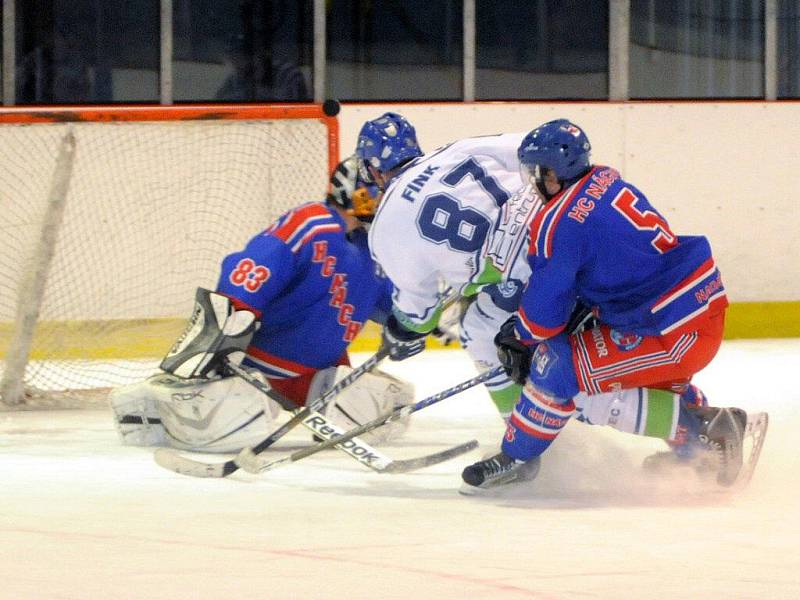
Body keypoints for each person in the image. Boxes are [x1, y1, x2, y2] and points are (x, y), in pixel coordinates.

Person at [460, 119, 747, 493]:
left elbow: (546, 311)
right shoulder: (604, 179)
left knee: (557, 367)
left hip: (671, 330)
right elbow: (615, 261)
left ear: (554, 172)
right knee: (622, 373)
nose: (533, 182)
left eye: (537, 172)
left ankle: (518, 459)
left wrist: (520, 335)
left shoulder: (559, 222)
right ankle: (707, 430)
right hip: (688, 309)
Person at [110, 156, 413, 453]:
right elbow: (251, 270)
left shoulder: (374, 246)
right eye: (381, 190)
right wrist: (230, 323)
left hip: (318, 377)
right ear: (357, 190)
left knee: (393, 400)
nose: (386, 198)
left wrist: (426, 319)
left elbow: (398, 307)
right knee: (238, 427)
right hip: (251, 370)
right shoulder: (311, 223)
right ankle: (156, 402)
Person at [357, 112, 539, 420]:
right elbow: (536, 146)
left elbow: (421, 313)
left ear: (374, 170)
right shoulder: (460, 149)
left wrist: (399, 331)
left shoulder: (386, 226)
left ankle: (521, 428)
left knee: (477, 330)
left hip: (524, 278)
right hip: (560, 238)